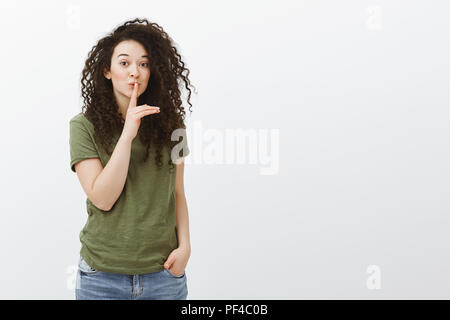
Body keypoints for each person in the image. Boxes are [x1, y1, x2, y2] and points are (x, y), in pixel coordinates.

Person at [69, 18, 195, 300]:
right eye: (124, 63)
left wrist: (185, 247)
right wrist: (127, 136)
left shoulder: (172, 124)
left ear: (153, 71)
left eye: (144, 64)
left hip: (163, 275)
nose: (134, 72)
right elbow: (103, 198)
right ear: (107, 70)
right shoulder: (83, 126)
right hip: (100, 277)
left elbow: (177, 192)